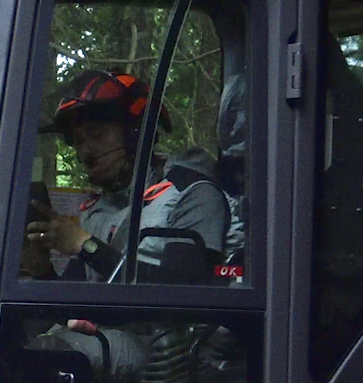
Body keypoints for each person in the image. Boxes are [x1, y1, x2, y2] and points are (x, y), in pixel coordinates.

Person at [24, 68, 235, 284]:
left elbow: (179, 293)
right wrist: (43, 272)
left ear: (137, 133)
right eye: (78, 141)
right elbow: (76, 303)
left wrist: (85, 245)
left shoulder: (192, 193)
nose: (86, 151)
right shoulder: (98, 212)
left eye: (97, 134)